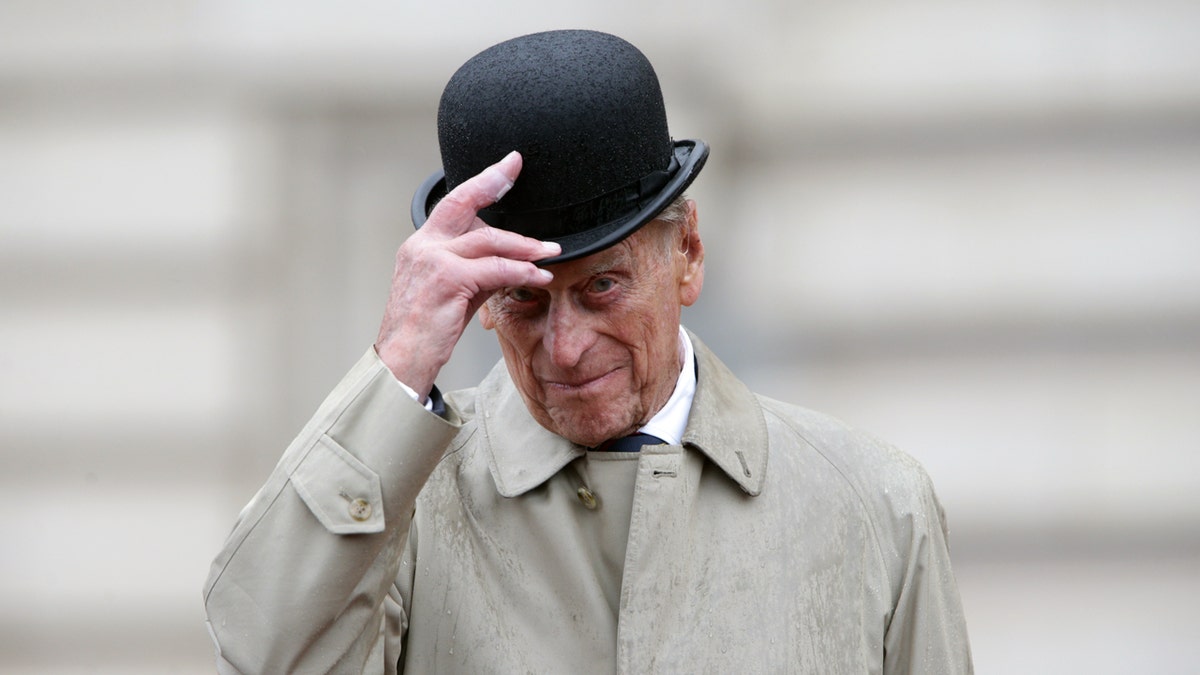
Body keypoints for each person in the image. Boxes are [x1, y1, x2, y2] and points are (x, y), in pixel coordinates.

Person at [203, 29, 972, 674]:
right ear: (481, 305)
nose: (565, 348)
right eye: (525, 299)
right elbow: (263, 649)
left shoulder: (875, 506)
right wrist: (399, 358)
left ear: (690, 254)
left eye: (602, 285)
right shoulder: (407, 509)